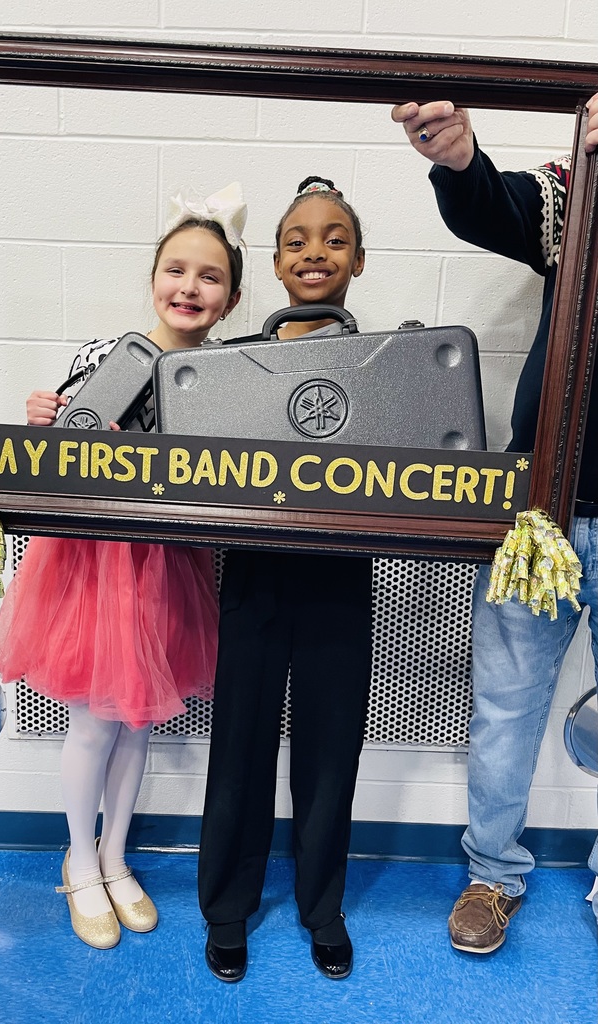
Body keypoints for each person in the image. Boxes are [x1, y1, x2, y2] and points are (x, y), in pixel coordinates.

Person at [0, 185, 245, 949]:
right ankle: (78, 859)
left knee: (137, 722)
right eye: (175, 270)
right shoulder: (104, 356)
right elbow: (62, 456)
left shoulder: (228, 374)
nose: (188, 287)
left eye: (210, 277)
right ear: (152, 278)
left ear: (230, 299)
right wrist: (43, 424)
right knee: (95, 721)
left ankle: (115, 855)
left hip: (169, 563)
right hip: (97, 565)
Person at [390, 94, 598, 952]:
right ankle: (491, 875)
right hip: (540, 509)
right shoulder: (581, 190)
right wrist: (459, 158)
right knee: (504, 706)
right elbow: (496, 206)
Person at [198, 176, 372, 982]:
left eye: (335, 239)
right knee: (239, 741)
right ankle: (226, 907)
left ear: (358, 261)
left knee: (331, 746)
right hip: (255, 571)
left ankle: (321, 906)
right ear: (273, 263)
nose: (315, 251)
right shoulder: (238, 365)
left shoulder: (388, 365)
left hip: (340, 575)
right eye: (296, 240)